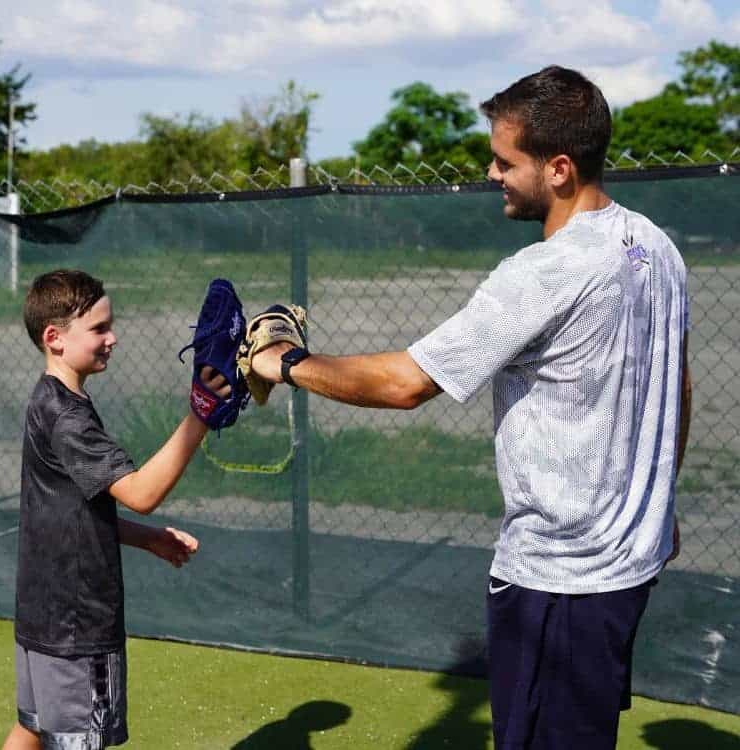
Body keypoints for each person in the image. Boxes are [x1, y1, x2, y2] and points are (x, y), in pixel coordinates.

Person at [250, 66, 691, 750]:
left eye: (505, 160)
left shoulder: (544, 273)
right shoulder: (657, 248)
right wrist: (659, 502)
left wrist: (280, 362)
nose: (492, 173)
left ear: (561, 169)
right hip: (630, 565)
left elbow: (406, 382)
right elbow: (680, 384)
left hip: (559, 581)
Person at [2, 269, 229, 750]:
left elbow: (73, 512)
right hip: (78, 622)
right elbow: (143, 493)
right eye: (99, 329)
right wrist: (200, 414)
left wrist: (147, 538)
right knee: (78, 738)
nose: (113, 338)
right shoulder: (68, 418)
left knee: (34, 728)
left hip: (42, 615)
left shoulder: (47, 399)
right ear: (54, 338)